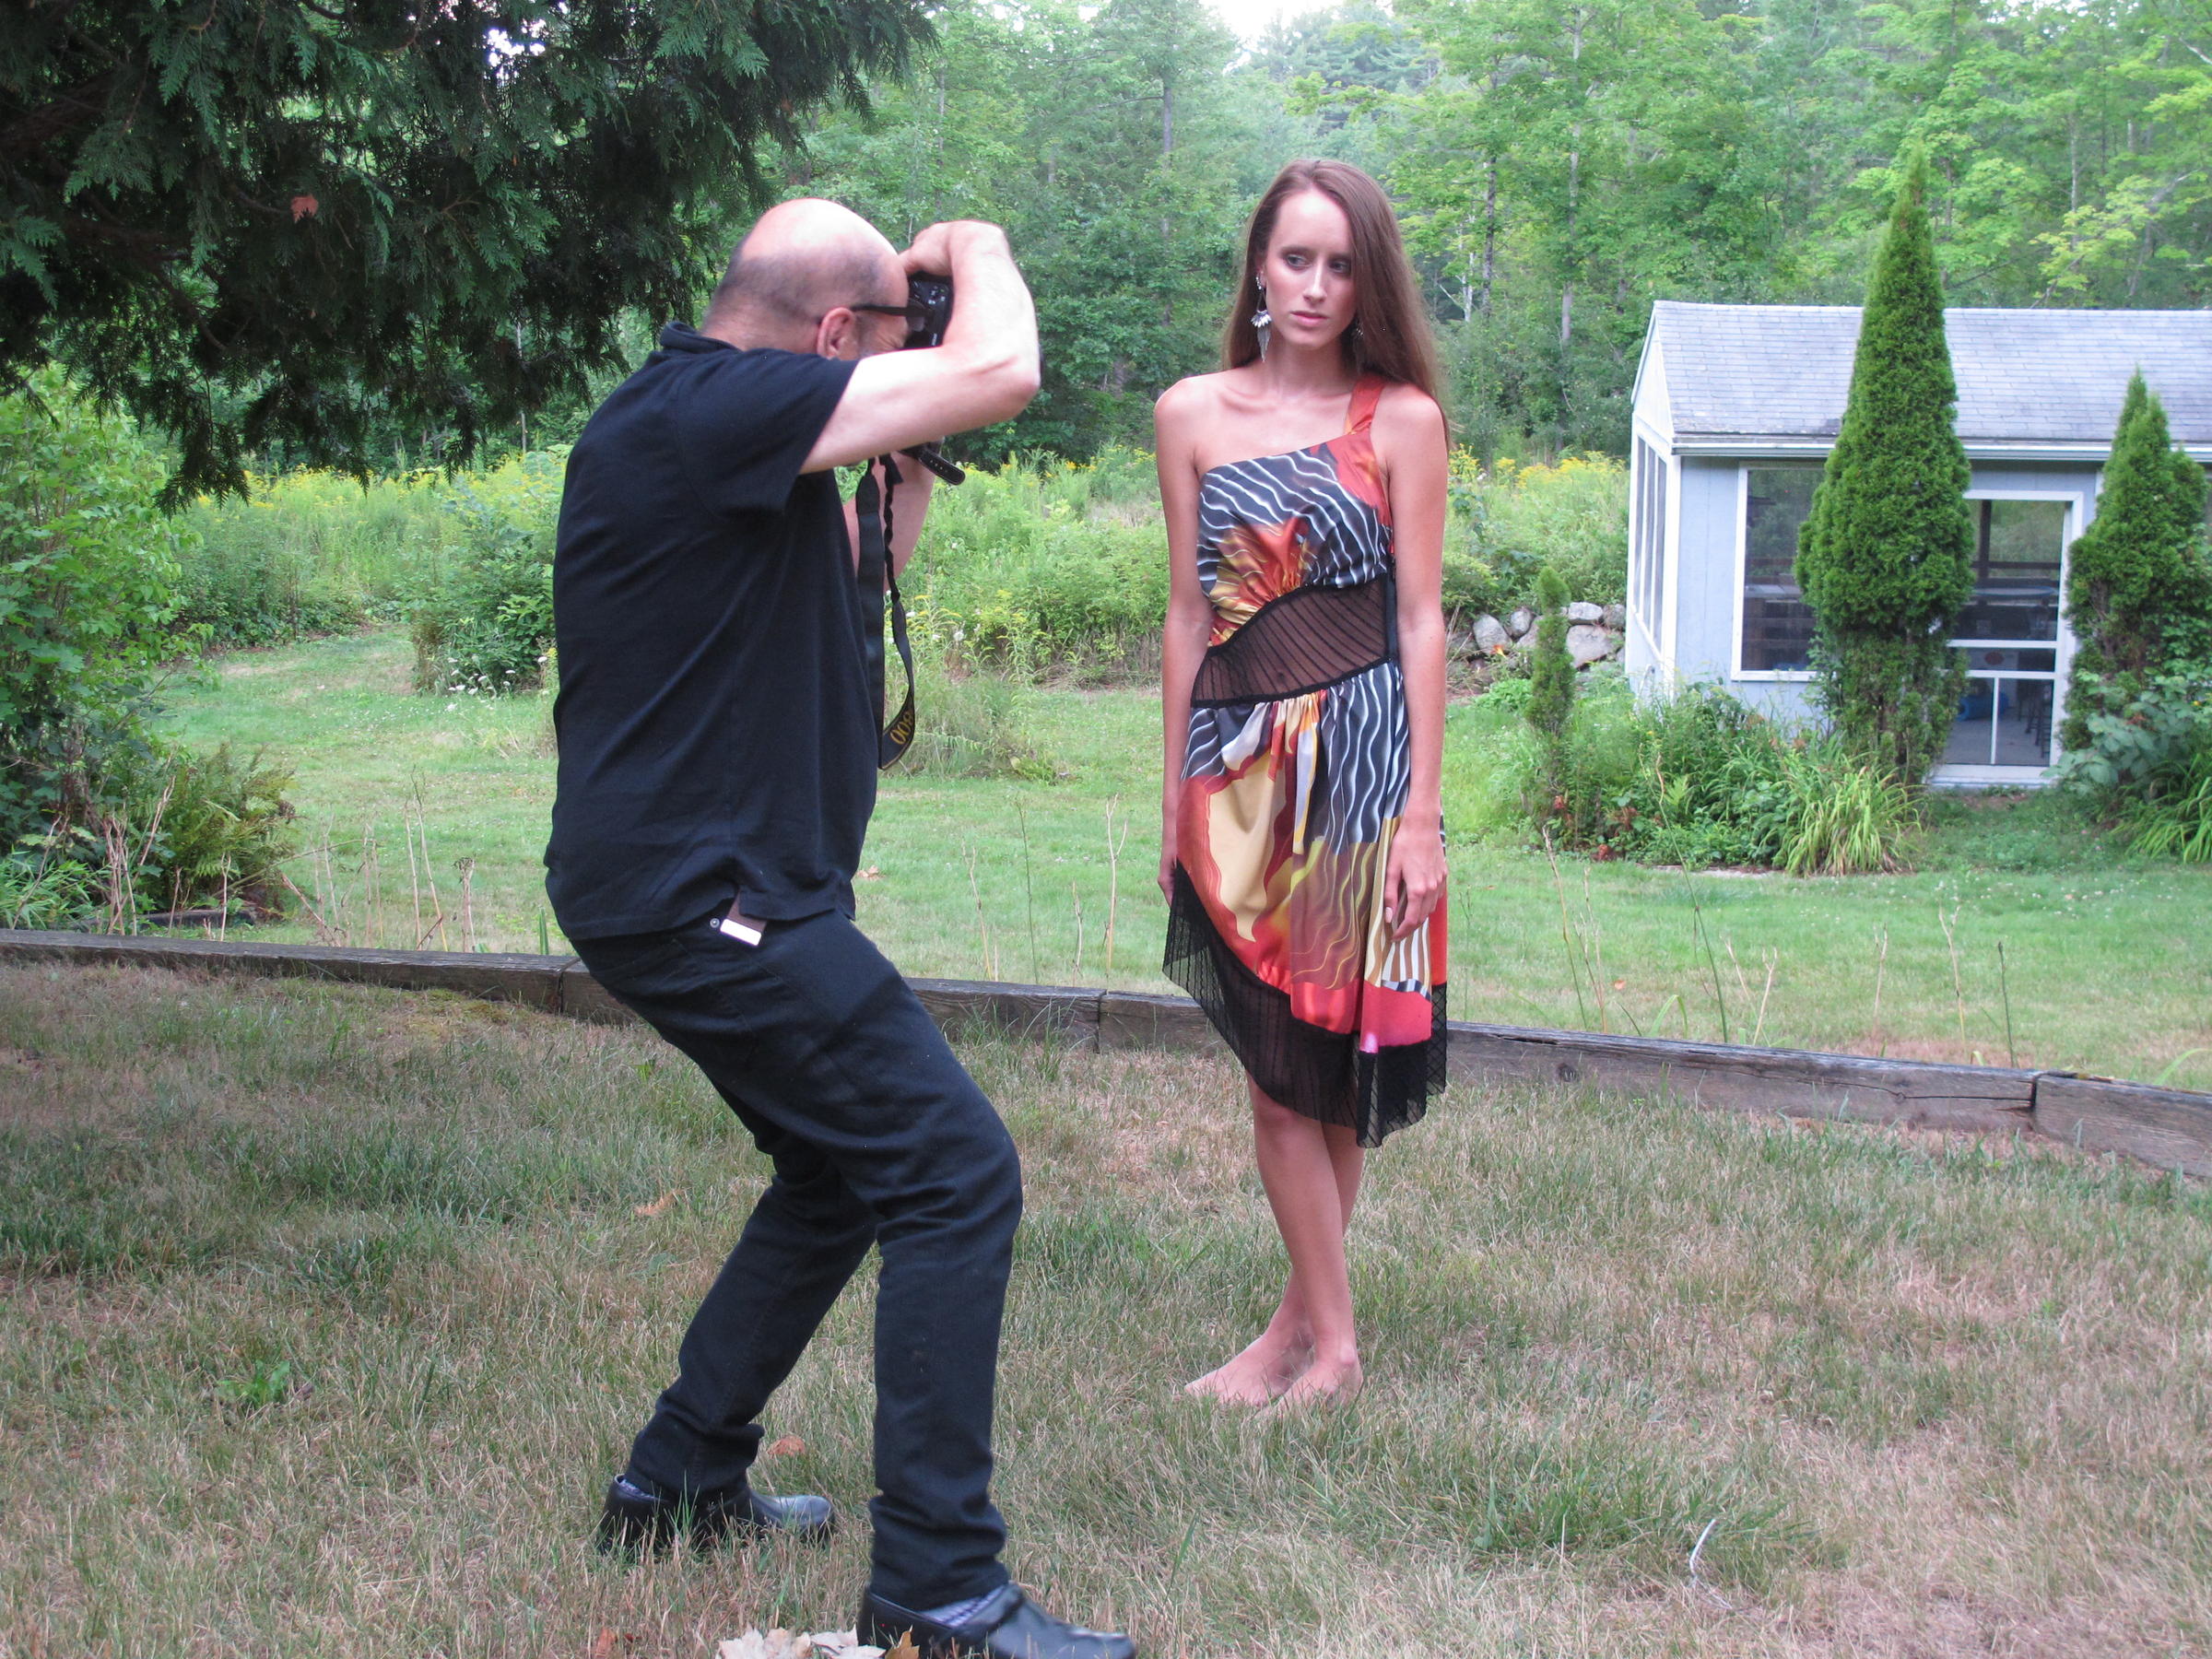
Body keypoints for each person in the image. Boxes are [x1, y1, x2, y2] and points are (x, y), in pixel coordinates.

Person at [545, 198, 1135, 1659]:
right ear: (825, 337)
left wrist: (902, 420)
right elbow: (1006, 371)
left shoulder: (722, 431)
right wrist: (980, 250)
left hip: (702, 887)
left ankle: (677, 1477)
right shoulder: (709, 404)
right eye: (879, 345)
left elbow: (871, 573)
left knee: (841, 1168)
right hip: (706, 895)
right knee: (952, 1168)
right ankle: (940, 1589)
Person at [1155, 159, 1451, 1411]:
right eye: (1296, 259)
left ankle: (1322, 1350)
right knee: (1285, 1068)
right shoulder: (1189, 415)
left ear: (1367, 279)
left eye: (1342, 264)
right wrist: (1166, 796)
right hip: (1234, 771)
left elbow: (1426, 620)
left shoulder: (1403, 423)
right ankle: (1303, 1336)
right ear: (1258, 270)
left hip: (1362, 771)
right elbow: (1184, 615)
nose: (1318, 285)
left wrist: (1423, 816)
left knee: (1315, 1072)